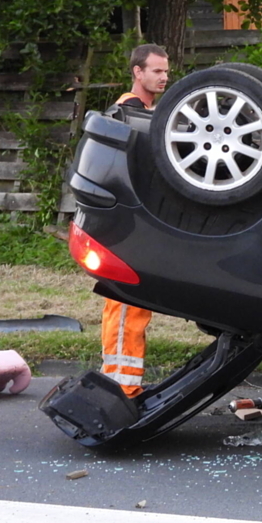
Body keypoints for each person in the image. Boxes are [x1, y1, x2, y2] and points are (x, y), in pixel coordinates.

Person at [100, 44, 169, 397]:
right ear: (137, 72)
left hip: (128, 224)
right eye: (156, 70)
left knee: (128, 306)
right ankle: (121, 387)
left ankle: (121, 381)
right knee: (128, 307)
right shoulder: (130, 112)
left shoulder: (137, 113)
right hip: (128, 226)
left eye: (166, 71)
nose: (164, 77)